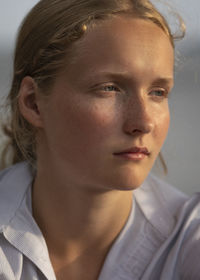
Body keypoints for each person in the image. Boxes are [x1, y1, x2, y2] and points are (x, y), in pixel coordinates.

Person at [0, 0, 200, 279]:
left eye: (158, 92)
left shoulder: (188, 240)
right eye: (110, 88)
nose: (143, 123)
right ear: (33, 103)